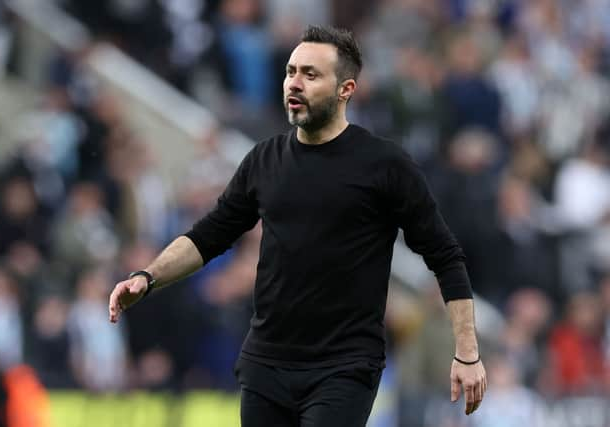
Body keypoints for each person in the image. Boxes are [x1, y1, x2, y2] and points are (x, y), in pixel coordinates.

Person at [109, 25, 486, 426]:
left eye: (311, 74)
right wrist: (148, 277)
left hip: (343, 368)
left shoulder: (385, 166)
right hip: (265, 365)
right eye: (291, 71)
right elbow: (208, 236)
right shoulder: (264, 160)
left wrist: (467, 351)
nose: (294, 83)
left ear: (346, 89)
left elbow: (445, 257)